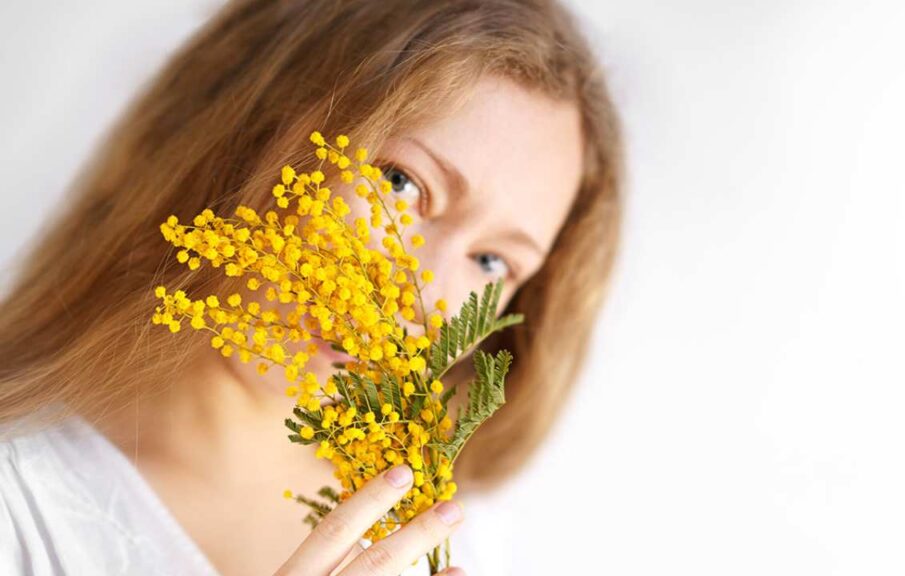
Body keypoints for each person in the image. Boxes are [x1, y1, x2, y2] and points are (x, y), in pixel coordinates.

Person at [0, 0, 623, 574]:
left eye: (491, 262)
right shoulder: (21, 502)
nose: (421, 295)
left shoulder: (451, 528)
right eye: (400, 184)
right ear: (248, 131)